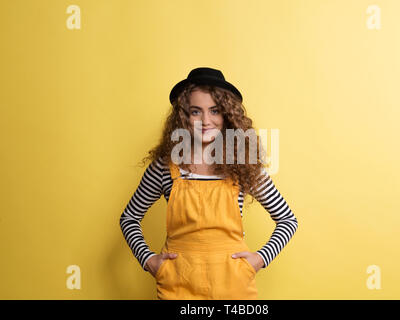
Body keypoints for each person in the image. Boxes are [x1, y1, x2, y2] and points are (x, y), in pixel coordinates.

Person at [119, 67, 299, 300]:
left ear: (226, 116)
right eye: (196, 112)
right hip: (177, 288)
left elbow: (287, 219)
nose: (205, 120)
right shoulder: (165, 167)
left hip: (234, 288)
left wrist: (258, 260)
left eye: (214, 111)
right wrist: (149, 261)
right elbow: (129, 218)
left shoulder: (242, 166)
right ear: (183, 116)